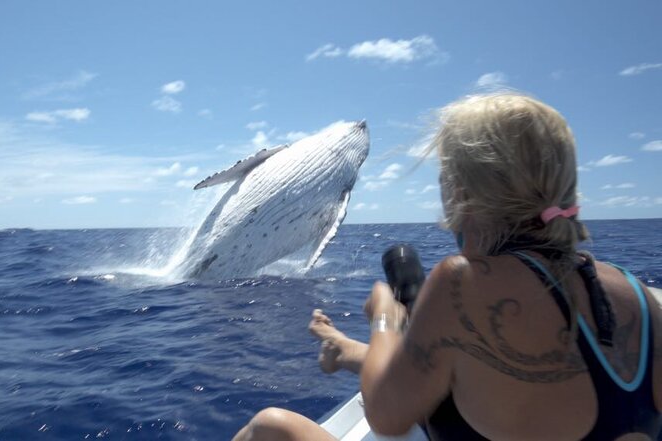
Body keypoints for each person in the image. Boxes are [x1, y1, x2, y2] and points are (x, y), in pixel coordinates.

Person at [232, 93, 662, 440]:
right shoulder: (638, 296)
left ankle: (344, 350)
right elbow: (507, 379)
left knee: (271, 426)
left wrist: (385, 317)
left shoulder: (462, 283)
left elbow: (385, 416)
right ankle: (342, 350)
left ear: (459, 192)